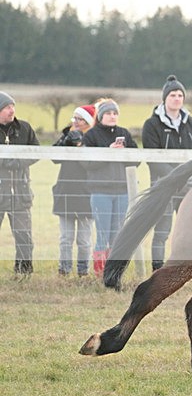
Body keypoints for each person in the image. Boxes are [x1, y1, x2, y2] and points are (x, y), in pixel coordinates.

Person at [141, 75, 192, 271]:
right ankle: (158, 269)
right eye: (173, 95)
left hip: (189, 186)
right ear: (165, 98)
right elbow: (153, 158)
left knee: (189, 230)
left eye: (180, 95)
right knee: (162, 231)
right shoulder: (152, 125)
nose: (177, 99)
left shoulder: (191, 123)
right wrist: (176, 179)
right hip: (164, 186)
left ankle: (183, 268)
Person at [80, 99, 139, 277]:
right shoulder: (91, 136)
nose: (112, 116)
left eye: (115, 113)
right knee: (102, 235)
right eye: (108, 113)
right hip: (100, 192)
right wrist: (108, 152)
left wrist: (124, 153)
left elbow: (136, 160)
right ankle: (100, 272)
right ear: (100, 116)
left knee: (117, 235)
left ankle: (113, 272)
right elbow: (87, 164)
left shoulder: (124, 133)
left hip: (122, 191)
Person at [52, 105, 96, 276]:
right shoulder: (66, 135)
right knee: (65, 238)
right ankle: (64, 269)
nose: (76, 122)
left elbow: (92, 163)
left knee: (84, 239)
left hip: (86, 193)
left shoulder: (94, 137)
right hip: (66, 191)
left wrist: (80, 145)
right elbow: (54, 158)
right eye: (74, 118)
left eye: (80, 119)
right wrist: (65, 142)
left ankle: (83, 271)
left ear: (88, 122)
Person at [0, 91, 39, 276]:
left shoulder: (24, 128)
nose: (11, 110)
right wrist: (4, 161)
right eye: (7, 107)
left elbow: (36, 152)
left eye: (12, 106)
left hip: (20, 194)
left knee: (24, 236)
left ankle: (23, 273)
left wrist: (18, 162)